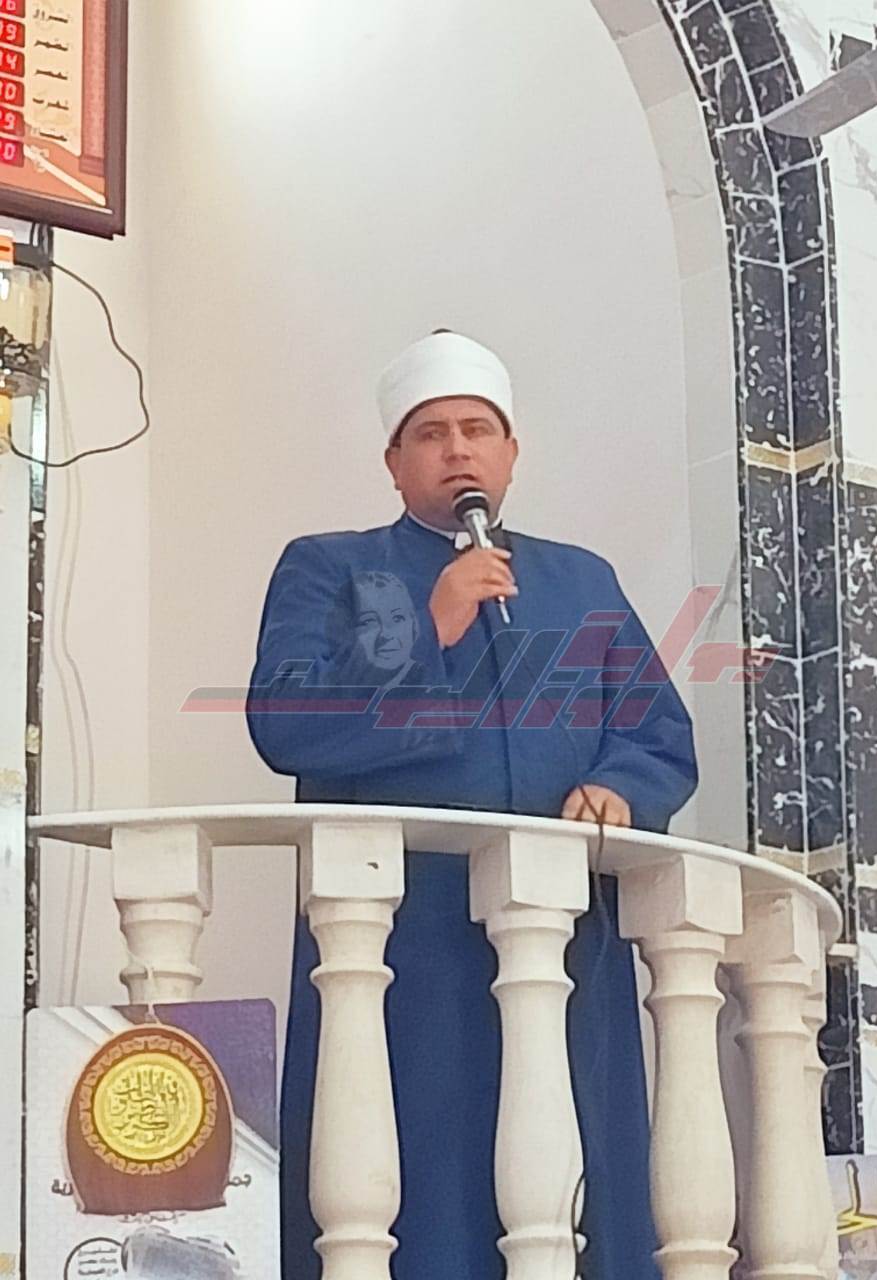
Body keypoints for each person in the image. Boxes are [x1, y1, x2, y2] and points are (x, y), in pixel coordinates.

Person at [246, 330, 697, 1279]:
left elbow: (657, 733)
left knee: (575, 1171)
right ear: (394, 461)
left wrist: (618, 788)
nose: (457, 450)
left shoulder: (581, 580)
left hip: (561, 931)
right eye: (432, 433)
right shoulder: (333, 567)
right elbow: (287, 723)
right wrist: (436, 623)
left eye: (477, 430)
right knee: (407, 1177)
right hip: (404, 941)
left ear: (511, 453)